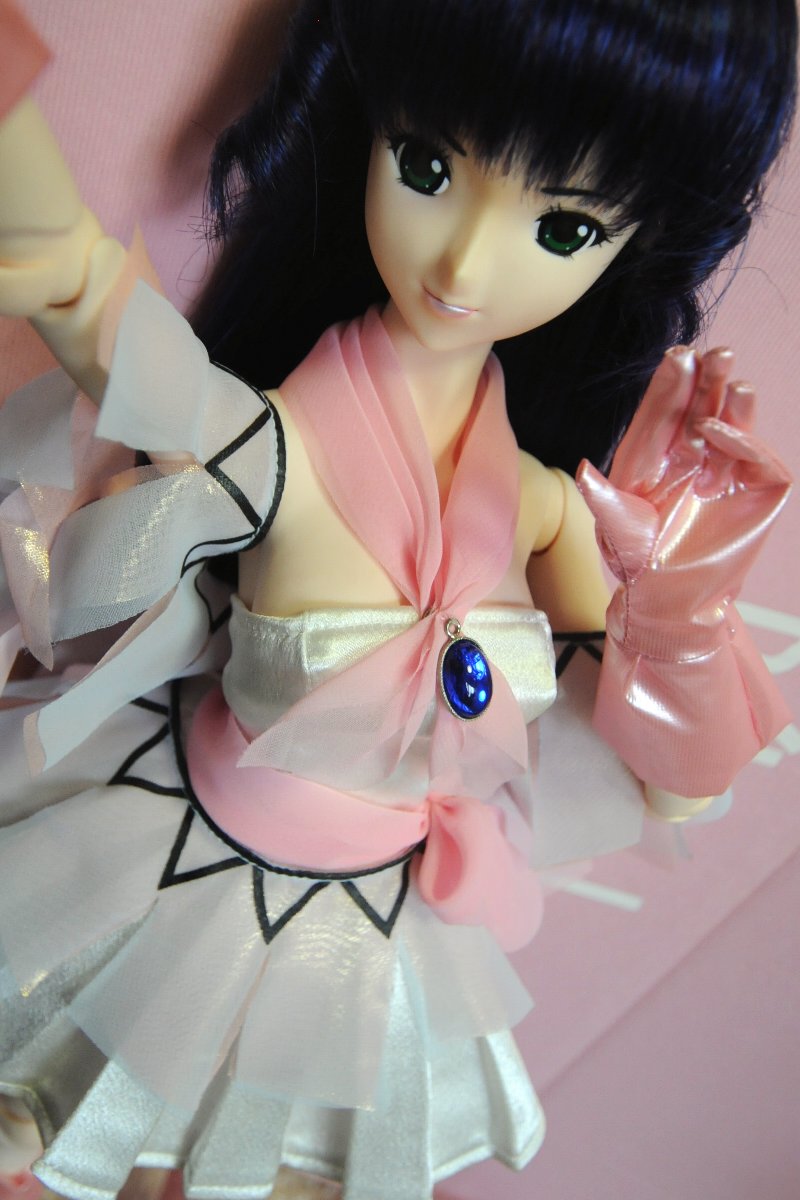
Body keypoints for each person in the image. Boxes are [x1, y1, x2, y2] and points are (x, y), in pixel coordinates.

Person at [0, 1, 795, 1198]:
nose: (464, 266)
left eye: (563, 226)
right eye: (426, 167)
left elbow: (677, 788)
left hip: (366, 937)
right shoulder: (271, 448)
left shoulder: (547, 508)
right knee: (56, 1120)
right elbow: (73, 286)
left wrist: (676, 605)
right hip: (173, 867)